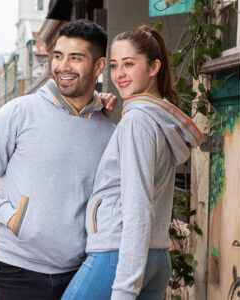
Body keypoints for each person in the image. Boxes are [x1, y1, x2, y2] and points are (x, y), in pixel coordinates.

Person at [0, 19, 116, 300]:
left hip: (80, 272)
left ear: (98, 65)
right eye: (57, 56)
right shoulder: (20, 111)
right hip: (18, 270)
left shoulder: (108, 131)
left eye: (76, 57)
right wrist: (11, 218)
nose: (62, 66)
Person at [62, 25, 204, 300]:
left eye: (129, 64)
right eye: (114, 65)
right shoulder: (159, 120)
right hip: (155, 255)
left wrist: (125, 290)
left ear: (154, 68)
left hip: (118, 254)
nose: (119, 74)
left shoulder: (137, 123)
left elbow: (137, 206)